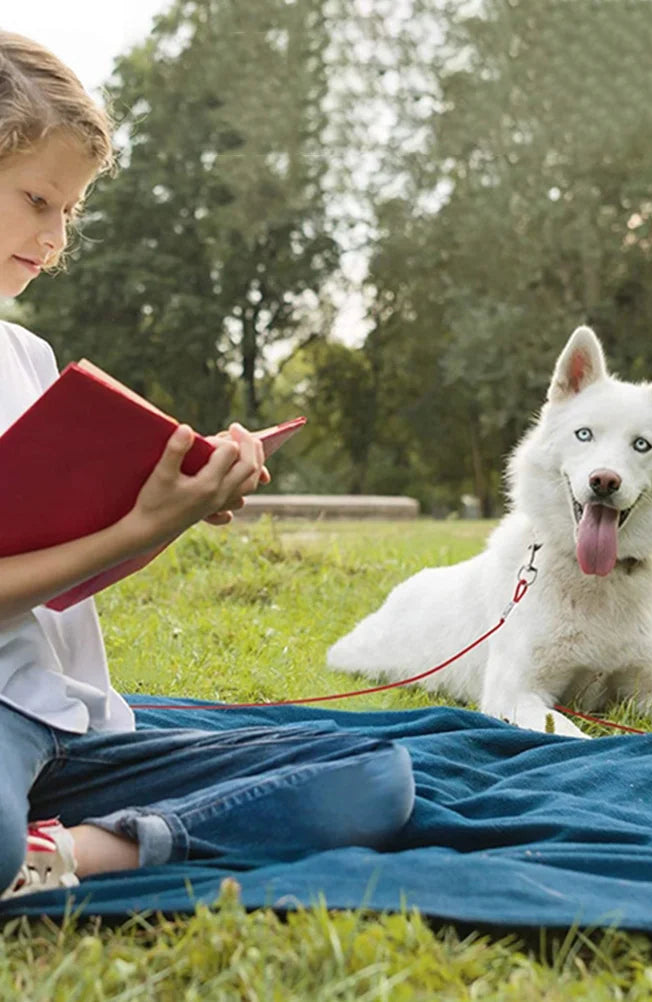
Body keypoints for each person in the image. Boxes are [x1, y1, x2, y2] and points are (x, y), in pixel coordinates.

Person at [0, 31, 414, 900]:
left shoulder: (27, 358)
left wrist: (177, 498)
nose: (55, 236)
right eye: (39, 198)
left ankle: (70, 849)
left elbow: (53, 540)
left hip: (53, 715)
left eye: (69, 211)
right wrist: (139, 525)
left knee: (374, 777)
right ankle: (51, 850)